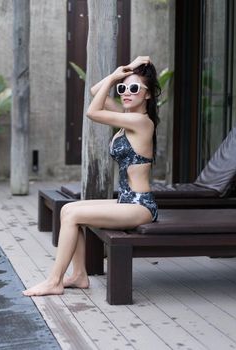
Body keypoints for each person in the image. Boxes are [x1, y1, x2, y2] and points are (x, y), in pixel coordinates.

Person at [23, 56, 161, 296]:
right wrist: (121, 71)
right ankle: (78, 275)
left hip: (140, 205)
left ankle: (54, 281)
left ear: (147, 95)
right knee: (67, 209)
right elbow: (96, 90)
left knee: (74, 214)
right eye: (123, 88)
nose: (126, 92)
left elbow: (92, 111)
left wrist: (118, 77)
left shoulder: (141, 122)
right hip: (126, 201)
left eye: (134, 88)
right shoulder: (126, 117)